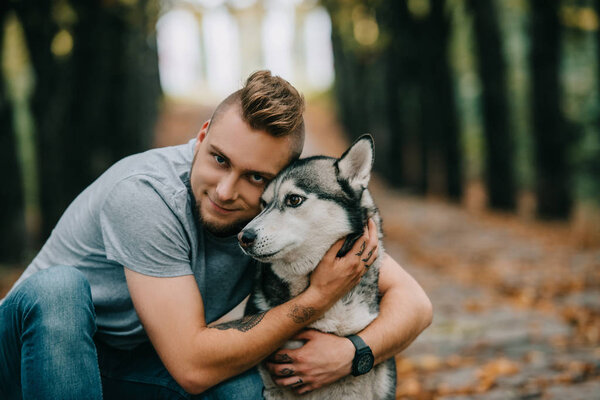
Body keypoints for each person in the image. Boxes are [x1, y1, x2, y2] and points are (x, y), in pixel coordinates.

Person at [0, 70, 432, 399]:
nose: (226, 192)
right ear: (202, 135)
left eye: (255, 176)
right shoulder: (144, 196)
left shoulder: (277, 223)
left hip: (117, 364)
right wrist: (314, 299)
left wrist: (352, 352)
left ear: (281, 182)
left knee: (242, 389)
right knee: (58, 288)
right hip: (23, 358)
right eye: (220, 160)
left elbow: (415, 303)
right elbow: (192, 366)